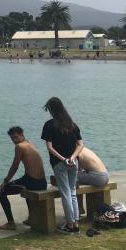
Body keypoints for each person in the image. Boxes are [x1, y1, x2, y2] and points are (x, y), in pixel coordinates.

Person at [41, 97, 83, 234]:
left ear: (51, 110)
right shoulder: (72, 124)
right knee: (72, 193)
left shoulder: (49, 125)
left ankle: (70, 225)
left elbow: (50, 147)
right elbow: (81, 145)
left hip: (59, 164)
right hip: (73, 162)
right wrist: (72, 158)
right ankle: (75, 222)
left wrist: (64, 159)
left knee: (65, 193)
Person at [0, 126, 47, 230]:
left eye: (15, 137)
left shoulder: (20, 147)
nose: (14, 140)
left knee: (1, 191)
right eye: (12, 138)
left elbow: (15, 166)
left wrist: (5, 181)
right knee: (24, 186)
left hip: (32, 182)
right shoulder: (29, 143)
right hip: (42, 182)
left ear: (22, 135)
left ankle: (11, 223)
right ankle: (32, 218)